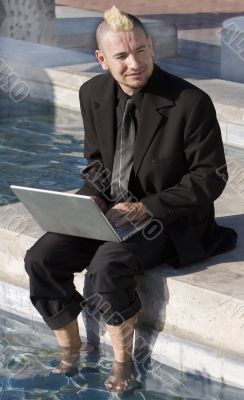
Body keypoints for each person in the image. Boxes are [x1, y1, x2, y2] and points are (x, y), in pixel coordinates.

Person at [24, 5, 237, 393]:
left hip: (170, 218)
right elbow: (94, 164)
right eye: (121, 55)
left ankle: (122, 365)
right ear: (102, 60)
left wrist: (144, 208)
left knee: (106, 268)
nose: (134, 62)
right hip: (111, 210)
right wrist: (93, 202)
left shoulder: (191, 102)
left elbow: (210, 179)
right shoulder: (92, 93)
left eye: (140, 50)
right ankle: (71, 351)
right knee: (40, 258)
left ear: (151, 46)